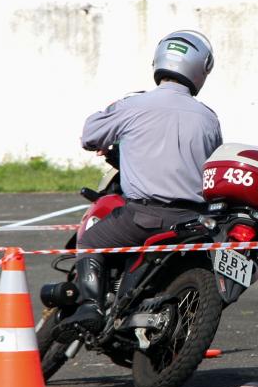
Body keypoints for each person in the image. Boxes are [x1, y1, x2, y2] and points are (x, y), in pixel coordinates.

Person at [53, 29, 223, 342]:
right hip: (193, 222)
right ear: (201, 68)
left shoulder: (135, 105)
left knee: (90, 241)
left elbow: (90, 136)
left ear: (160, 59)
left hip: (142, 216)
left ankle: (90, 305)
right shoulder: (208, 118)